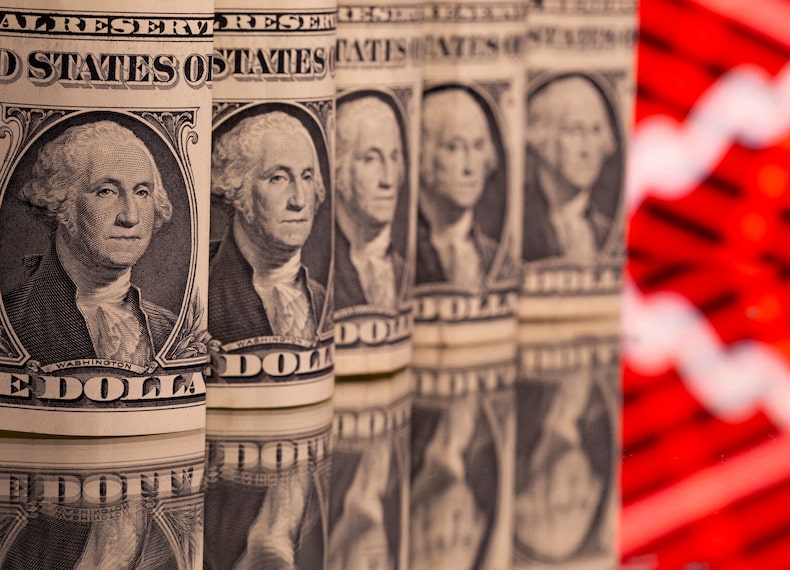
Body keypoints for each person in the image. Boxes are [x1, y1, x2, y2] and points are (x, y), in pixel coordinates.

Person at [2, 120, 175, 367]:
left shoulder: (170, 328)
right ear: (61, 201)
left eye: (141, 192)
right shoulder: (11, 321)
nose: (130, 217)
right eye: (106, 191)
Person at [209, 111, 327, 344]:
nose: (299, 201)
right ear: (238, 188)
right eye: (278, 178)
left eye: (307, 177)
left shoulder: (322, 298)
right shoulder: (206, 292)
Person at [522, 76, 617, 262]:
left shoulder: (608, 233)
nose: (587, 149)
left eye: (596, 130)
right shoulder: (522, 229)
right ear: (543, 138)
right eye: (574, 131)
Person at [416, 88, 500, 291]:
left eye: (478, 146)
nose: (469, 167)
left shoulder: (496, 257)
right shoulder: (407, 258)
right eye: (454, 147)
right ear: (425, 156)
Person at [335, 96, 406, 313]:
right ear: (340, 170)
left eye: (394, 157)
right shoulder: (323, 278)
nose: (388, 180)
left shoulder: (404, 271)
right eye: (371, 159)